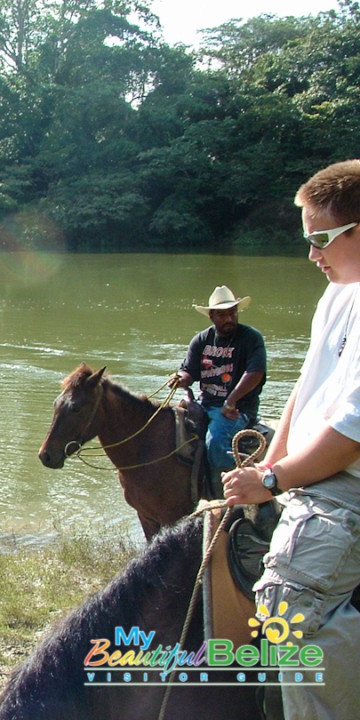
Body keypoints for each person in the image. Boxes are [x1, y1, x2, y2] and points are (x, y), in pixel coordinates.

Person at [223, 159, 360, 720]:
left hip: (343, 485)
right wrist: (263, 472)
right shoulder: (337, 296)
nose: (312, 255)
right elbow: (306, 391)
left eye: (321, 239)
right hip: (308, 470)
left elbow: (350, 435)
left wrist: (275, 478)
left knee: (289, 606)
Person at [169, 285, 267, 487]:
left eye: (232, 313)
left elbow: (255, 373)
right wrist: (180, 378)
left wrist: (231, 401)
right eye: (222, 315)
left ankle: (224, 493)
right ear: (212, 316)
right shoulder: (201, 340)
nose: (229, 319)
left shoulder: (251, 338)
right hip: (205, 403)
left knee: (215, 444)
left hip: (237, 409)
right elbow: (189, 371)